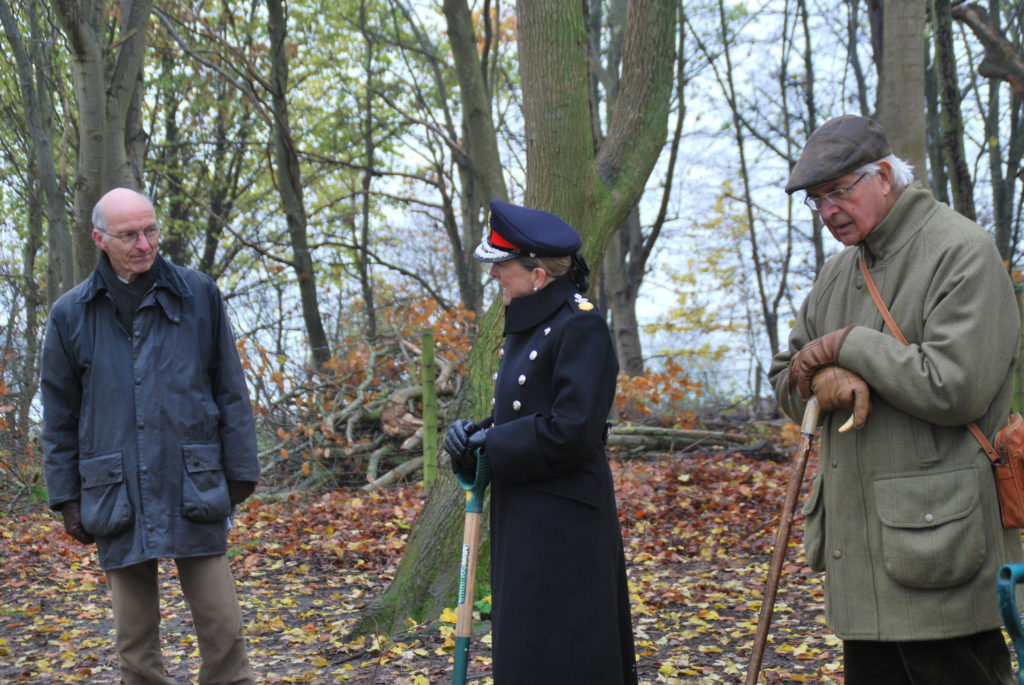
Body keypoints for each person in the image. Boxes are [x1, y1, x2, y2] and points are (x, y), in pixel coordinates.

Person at [769, 115, 1022, 685]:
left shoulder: (962, 251)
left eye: (838, 191)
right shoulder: (836, 277)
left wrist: (850, 347)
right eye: (816, 199)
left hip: (943, 552)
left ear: (884, 176)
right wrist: (825, 381)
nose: (829, 210)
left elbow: (954, 387)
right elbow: (787, 379)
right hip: (860, 558)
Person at [41, 187, 260, 685]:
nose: (144, 243)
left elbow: (230, 386)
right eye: (129, 234)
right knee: (134, 646)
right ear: (99, 238)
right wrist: (67, 498)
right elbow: (59, 416)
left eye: (151, 230)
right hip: (113, 486)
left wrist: (240, 472)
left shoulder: (197, 292)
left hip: (194, 478)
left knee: (224, 632)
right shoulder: (70, 313)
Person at [444, 199, 637, 684]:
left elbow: (571, 430)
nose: (494, 276)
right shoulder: (529, 322)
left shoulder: (581, 324)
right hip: (526, 512)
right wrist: (475, 434)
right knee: (527, 648)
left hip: (566, 524)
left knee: (567, 653)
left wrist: (492, 443)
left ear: (538, 273)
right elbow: (521, 412)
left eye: (501, 265)